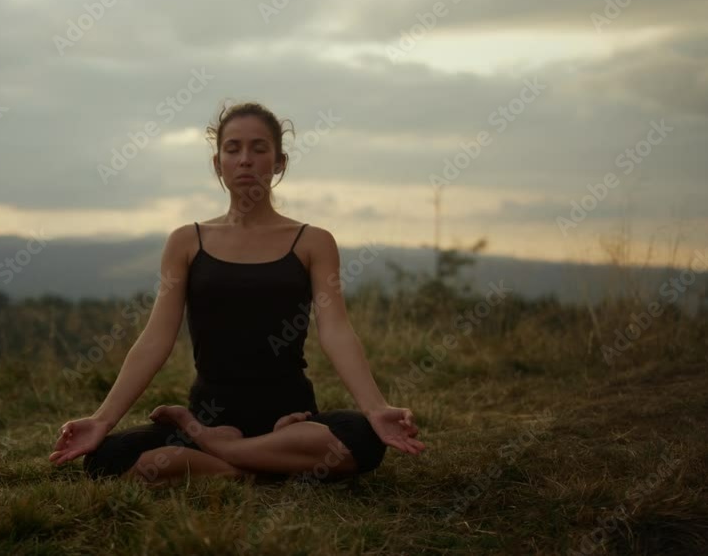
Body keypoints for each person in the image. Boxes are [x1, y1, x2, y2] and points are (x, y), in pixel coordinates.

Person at [48, 101, 425, 485]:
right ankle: (268, 465)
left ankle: (220, 455)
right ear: (218, 164)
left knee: (363, 438)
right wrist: (101, 420)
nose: (245, 159)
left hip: (290, 419)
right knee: (107, 458)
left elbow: (336, 331)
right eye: (233, 149)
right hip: (213, 413)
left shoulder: (313, 242)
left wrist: (376, 408)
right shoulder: (186, 242)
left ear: (279, 162)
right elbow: (155, 339)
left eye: (259, 149)